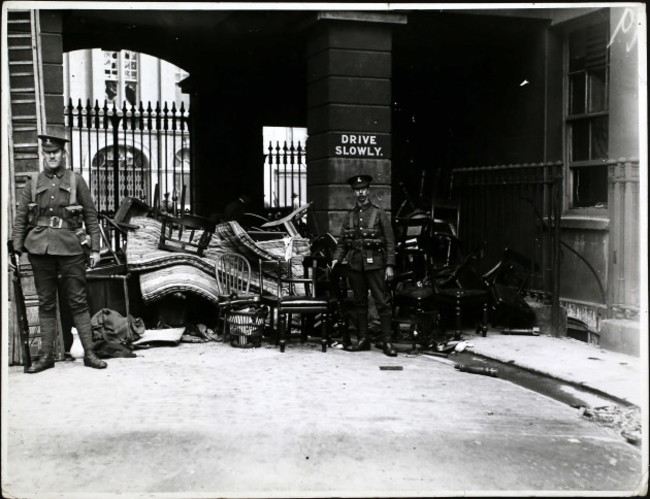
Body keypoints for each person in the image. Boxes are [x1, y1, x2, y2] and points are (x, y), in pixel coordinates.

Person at [12, 134, 106, 373]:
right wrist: (16, 249)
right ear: (43, 154)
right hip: (39, 249)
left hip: (71, 247)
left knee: (78, 301)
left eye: (56, 152)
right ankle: (46, 357)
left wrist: (94, 247)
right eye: (47, 152)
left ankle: (89, 354)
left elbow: (91, 216)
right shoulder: (33, 182)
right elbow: (21, 217)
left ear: (63, 154)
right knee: (45, 302)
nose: (51, 156)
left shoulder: (76, 180)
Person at [331, 174, 397, 357]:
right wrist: (336, 258)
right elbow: (343, 242)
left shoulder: (379, 213)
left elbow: (390, 242)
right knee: (360, 303)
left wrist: (390, 265)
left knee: (382, 302)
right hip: (356, 266)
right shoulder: (350, 216)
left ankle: (387, 342)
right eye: (357, 190)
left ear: (368, 191)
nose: (360, 192)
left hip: (376, 265)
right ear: (354, 192)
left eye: (363, 189)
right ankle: (363, 339)